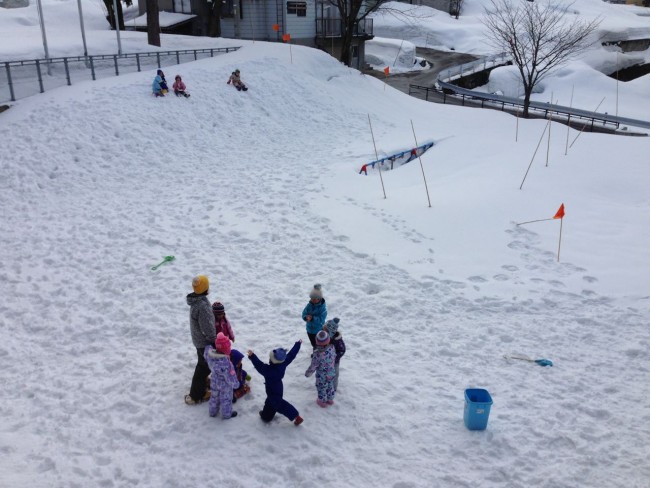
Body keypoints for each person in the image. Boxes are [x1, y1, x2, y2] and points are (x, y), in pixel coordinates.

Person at [247, 340, 303, 426]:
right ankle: (266, 415)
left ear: (272, 360)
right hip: (278, 388)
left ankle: (296, 416)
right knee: (270, 402)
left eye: (270, 358)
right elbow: (291, 355)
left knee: (279, 404)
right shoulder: (283, 363)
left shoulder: (268, 370)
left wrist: (252, 356)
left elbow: (259, 365)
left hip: (273, 391)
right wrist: (297, 345)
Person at [185, 274, 216, 405]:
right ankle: (196, 395)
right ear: (206, 289)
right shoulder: (202, 306)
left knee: (203, 362)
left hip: (198, 339)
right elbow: (207, 327)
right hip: (204, 341)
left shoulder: (196, 300)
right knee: (204, 366)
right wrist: (213, 340)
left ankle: (202, 383)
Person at [204, 332, 239, 418]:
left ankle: (212, 412)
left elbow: (206, 351)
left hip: (214, 382)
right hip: (225, 386)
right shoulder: (227, 364)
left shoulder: (210, 357)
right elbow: (231, 377)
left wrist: (208, 347)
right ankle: (227, 414)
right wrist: (236, 384)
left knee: (214, 397)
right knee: (226, 399)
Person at [305, 330, 336, 407]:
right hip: (331, 372)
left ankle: (322, 402)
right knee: (330, 385)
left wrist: (308, 373)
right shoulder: (332, 347)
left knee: (322, 387)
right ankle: (330, 399)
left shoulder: (318, 354)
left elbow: (313, 365)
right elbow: (334, 356)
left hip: (322, 375)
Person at [301, 284, 327, 348]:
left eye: (314, 299)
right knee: (313, 343)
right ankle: (315, 352)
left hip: (318, 330)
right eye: (311, 298)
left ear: (319, 299)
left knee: (319, 344)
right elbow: (304, 313)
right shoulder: (309, 305)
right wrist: (305, 317)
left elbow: (321, 319)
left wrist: (313, 318)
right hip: (309, 329)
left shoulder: (323, 308)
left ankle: (319, 354)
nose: (312, 300)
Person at [324, 317, 346, 392]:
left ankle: (334, 388)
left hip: (334, 362)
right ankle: (325, 384)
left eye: (325, 330)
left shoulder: (337, 341)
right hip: (325, 361)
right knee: (325, 373)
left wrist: (334, 358)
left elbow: (342, 350)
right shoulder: (325, 336)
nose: (323, 331)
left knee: (335, 374)